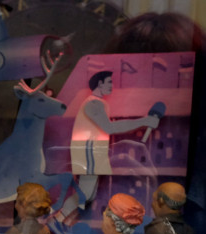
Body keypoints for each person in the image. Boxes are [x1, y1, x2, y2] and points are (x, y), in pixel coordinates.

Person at [58, 71, 160, 221]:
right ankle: (58, 220)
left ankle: (61, 220)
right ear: (100, 84)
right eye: (109, 82)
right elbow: (109, 127)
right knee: (85, 193)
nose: (112, 85)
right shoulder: (93, 103)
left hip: (93, 151)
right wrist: (143, 121)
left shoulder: (97, 103)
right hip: (88, 151)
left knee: (89, 194)